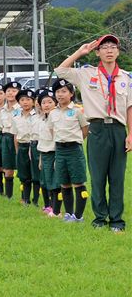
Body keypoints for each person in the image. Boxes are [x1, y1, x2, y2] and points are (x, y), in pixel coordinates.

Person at [55, 34, 132, 232]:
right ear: (97, 52)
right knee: (97, 177)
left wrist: (130, 134)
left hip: (118, 130)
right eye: (104, 47)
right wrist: (80, 53)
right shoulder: (86, 73)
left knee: (117, 177)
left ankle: (116, 220)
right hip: (97, 129)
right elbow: (61, 70)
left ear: (117, 52)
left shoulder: (126, 78)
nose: (109, 50)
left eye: (112, 47)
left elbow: (130, 108)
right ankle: (99, 218)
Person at [49, 78, 90, 223]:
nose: (60, 95)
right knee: (64, 183)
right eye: (58, 92)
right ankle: (69, 214)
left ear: (71, 94)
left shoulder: (78, 111)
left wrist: (76, 140)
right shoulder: (53, 113)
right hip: (60, 150)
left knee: (78, 183)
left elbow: (85, 130)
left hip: (74, 149)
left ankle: (79, 216)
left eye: (64, 91)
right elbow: (52, 131)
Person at [36, 89, 59, 217]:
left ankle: (56, 209)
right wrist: (40, 159)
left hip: (53, 153)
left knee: (54, 182)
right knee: (44, 181)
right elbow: (41, 140)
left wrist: (57, 157)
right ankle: (47, 206)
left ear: (55, 103)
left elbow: (57, 139)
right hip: (43, 153)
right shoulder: (42, 119)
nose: (47, 105)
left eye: (50, 102)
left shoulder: (56, 119)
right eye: (44, 102)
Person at [13, 89, 38, 205]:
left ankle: (36, 200)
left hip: (33, 146)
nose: (25, 102)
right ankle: (25, 199)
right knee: (24, 175)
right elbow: (15, 135)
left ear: (33, 102)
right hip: (22, 146)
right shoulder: (16, 115)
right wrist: (17, 150)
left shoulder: (37, 116)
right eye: (22, 100)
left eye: (28, 99)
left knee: (35, 175)